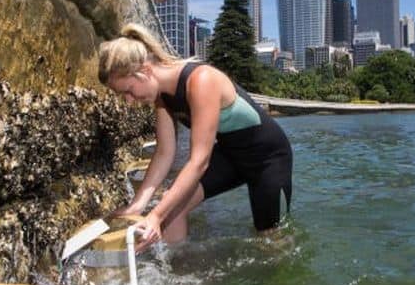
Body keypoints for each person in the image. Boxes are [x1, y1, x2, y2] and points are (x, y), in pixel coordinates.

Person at [98, 23, 293, 249]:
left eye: (128, 91)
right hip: (231, 155)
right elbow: (164, 153)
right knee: (173, 211)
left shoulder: (201, 81)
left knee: (270, 240)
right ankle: (180, 277)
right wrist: (137, 206)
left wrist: (156, 216)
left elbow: (199, 161)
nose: (129, 101)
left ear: (146, 71)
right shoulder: (163, 98)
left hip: (268, 158)